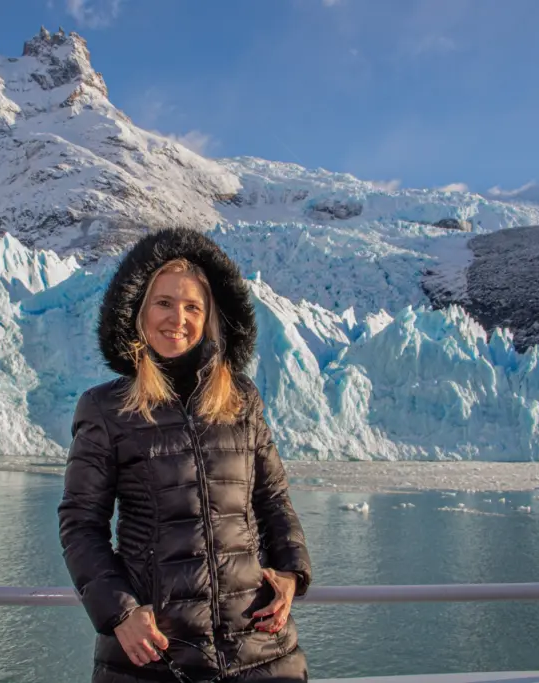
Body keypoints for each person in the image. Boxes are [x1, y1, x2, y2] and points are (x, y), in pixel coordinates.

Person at [58, 227, 312, 682]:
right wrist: (119, 614)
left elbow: (273, 499)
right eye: (164, 303)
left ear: (209, 318)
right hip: (157, 656)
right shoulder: (107, 408)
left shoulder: (241, 400)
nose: (178, 318)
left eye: (193, 306)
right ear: (138, 312)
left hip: (261, 651)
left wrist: (292, 573)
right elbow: (81, 525)